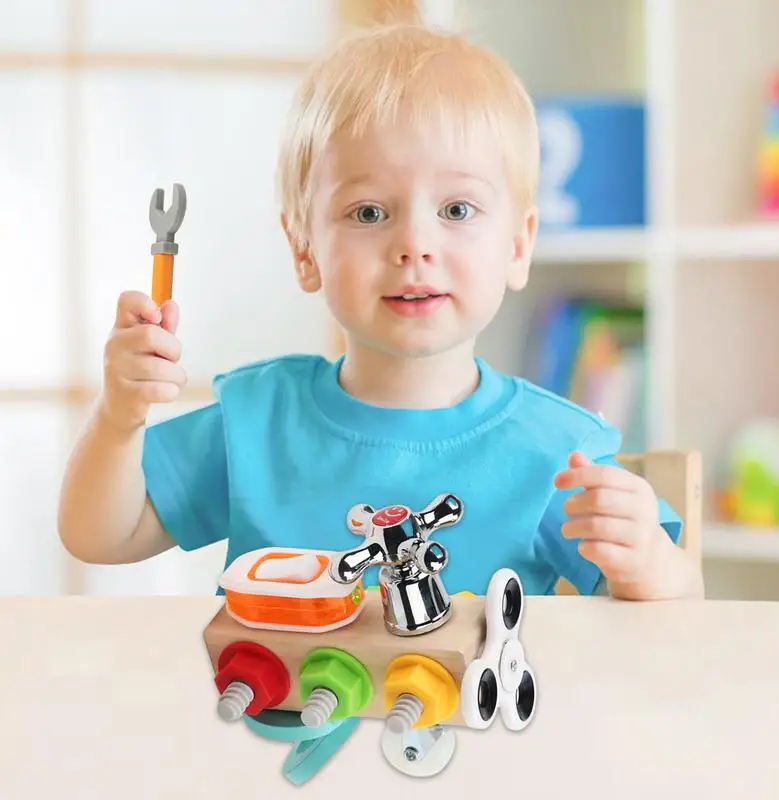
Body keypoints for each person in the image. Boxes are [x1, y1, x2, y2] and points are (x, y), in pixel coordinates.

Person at [57, 20, 704, 602]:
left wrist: (649, 563)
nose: (414, 246)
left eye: (456, 210)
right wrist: (120, 417)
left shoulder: (558, 452)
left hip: (482, 731)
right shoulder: (255, 421)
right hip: (267, 731)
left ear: (518, 245)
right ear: (304, 249)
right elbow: (99, 536)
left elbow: (682, 610)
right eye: (369, 212)